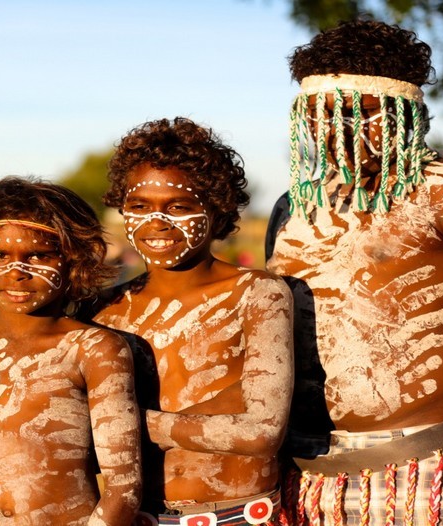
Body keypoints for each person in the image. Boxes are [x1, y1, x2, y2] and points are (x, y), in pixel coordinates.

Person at [265, 18, 443, 525]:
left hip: (428, 470)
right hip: (301, 474)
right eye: (326, 114)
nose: (342, 130)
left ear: (407, 113)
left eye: (364, 113)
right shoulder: (292, 206)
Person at [89, 117, 294, 525]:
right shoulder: (103, 310)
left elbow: (261, 431)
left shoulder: (257, 293)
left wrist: (122, 426)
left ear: (216, 210)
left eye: (179, 207)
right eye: (139, 206)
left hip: (240, 513)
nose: (157, 222)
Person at [0, 176, 142, 525]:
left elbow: (123, 485)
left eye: (39, 255)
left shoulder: (93, 349)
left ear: (72, 259)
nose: (16, 272)